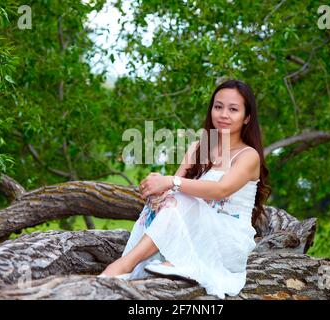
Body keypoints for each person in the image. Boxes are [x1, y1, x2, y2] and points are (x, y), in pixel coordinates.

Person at [98, 79, 270, 299]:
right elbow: (174, 188)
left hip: (226, 242)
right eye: (218, 107)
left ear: (247, 117)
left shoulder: (248, 156)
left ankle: (127, 264)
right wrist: (158, 190)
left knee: (181, 196)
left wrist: (169, 182)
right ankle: (164, 261)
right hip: (195, 232)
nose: (223, 114)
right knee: (167, 200)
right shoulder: (199, 147)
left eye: (233, 109)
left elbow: (221, 190)